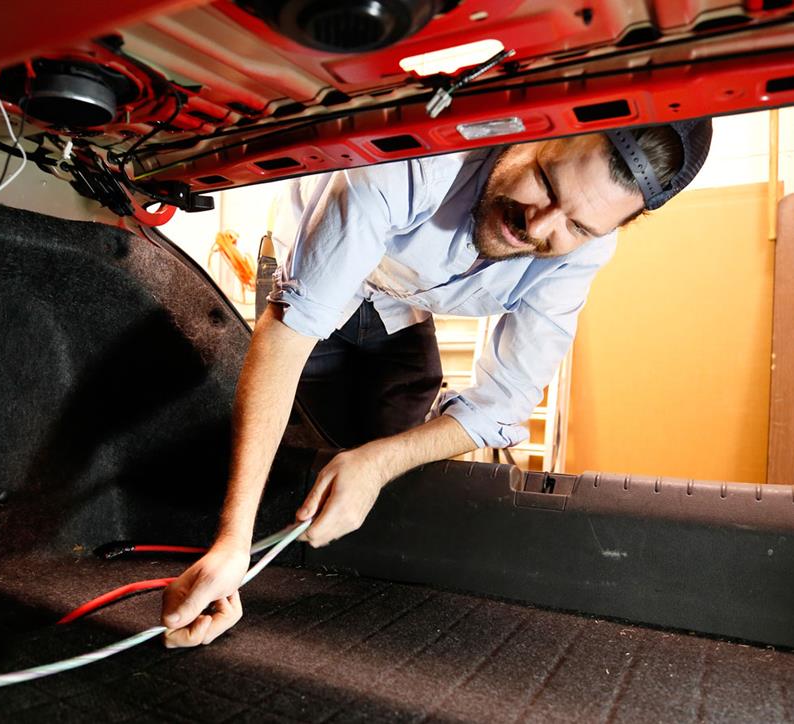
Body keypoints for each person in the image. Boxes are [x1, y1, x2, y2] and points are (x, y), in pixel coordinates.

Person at [160, 120, 713, 647]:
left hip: (403, 306)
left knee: (388, 460)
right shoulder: (410, 160)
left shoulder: (586, 249)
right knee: (299, 450)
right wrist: (231, 541)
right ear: (534, 131)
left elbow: (507, 401)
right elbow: (288, 337)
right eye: (545, 182)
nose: (539, 227)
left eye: (578, 226)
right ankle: (238, 569)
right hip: (317, 274)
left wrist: (377, 463)